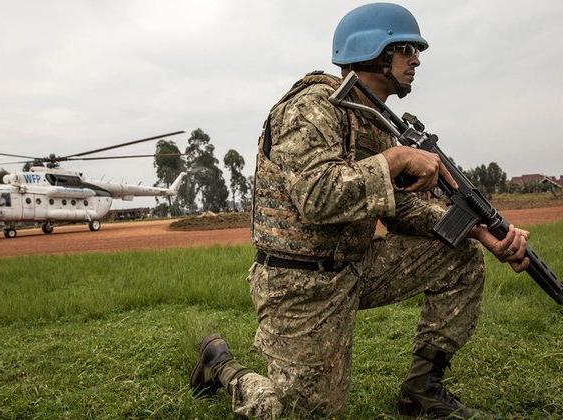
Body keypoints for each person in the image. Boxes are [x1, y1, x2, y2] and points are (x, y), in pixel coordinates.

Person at [191, 3, 530, 418]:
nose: (417, 60)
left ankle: (422, 392)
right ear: (374, 51)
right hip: (299, 283)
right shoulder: (311, 108)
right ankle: (221, 367)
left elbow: (398, 207)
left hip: (356, 266)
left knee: (459, 255)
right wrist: (396, 159)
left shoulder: (372, 120)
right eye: (407, 49)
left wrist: (475, 230)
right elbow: (317, 197)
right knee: (302, 412)